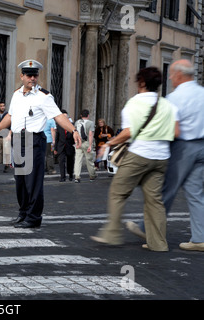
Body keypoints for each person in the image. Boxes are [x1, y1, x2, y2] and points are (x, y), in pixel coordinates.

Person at [91, 67, 177, 252]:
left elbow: (128, 132)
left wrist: (108, 144)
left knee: (118, 192)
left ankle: (112, 233)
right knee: (155, 201)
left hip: (140, 154)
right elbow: (176, 131)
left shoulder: (134, 103)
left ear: (142, 83)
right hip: (162, 157)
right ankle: (158, 244)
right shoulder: (167, 105)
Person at [0, 59, 81, 228]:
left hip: (34, 141)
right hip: (18, 140)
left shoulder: (44, 97)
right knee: (21, 181)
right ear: (22, 76)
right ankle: (23, 213)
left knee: (33, 182)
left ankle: (33, 217)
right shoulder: (16, 95)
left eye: (35, 75)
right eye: (29, 75)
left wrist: (73, 130)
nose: (33, 78)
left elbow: (58, 116)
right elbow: (10, 116)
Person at [126, 60, 204, 252]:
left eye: (171, 74)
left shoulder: (174, 98)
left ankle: (147, 229)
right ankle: (200, 238)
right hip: (202, 146)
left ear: (179, 75)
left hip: (182, 147)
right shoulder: (203, 93)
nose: (170, 77)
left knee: (164, 190)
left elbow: (168, 127)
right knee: (196, 193)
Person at [73, 109, 96, 183]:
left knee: (77, 160)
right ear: (88, 115)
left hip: (78, 142)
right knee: (89, 160)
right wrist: (90, 145)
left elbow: (75, 133)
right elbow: (90, 134)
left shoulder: (77, 122)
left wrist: (76, 142)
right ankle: (92, 175)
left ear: (81, 115)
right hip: (86, 142)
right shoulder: (91, 123)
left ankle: (77, 176)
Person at [54, 110, 75, 182]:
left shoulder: (72, 125)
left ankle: (71, 175)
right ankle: (62, 177)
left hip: (70, 146)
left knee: (70, 162)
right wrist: (55, 148)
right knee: (61, 162)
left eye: (66, 117)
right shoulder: (59, 126)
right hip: (61, 146)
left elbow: (74, 135)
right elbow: (57, 137)